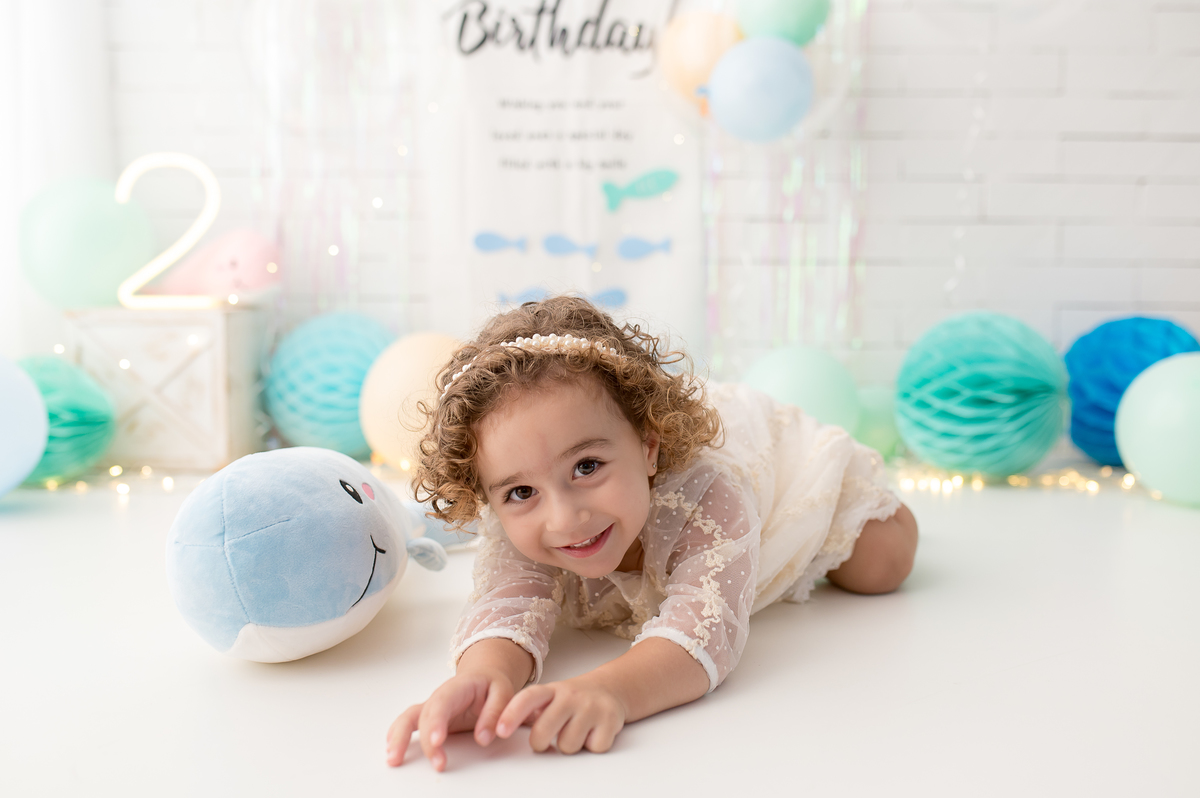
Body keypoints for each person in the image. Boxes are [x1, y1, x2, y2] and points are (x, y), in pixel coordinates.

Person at [385, 295, 918, 770]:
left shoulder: (709, 494)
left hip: (773, 462)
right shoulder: (519, 520)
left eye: (587, 466)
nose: (564, 518)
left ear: (648, 447)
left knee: (881, 564)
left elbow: (705, 628)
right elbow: (506, 605)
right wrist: (482, 679)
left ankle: (865, 499)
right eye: (521, 492)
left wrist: (608, 690)